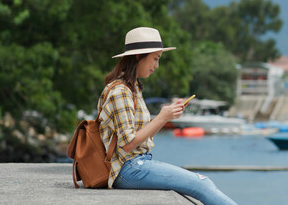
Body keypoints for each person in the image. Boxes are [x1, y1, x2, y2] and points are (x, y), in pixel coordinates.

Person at [98, 27, 238, 205]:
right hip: (127, 168)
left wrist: (167, 115)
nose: (156, 66)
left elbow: (139, 137)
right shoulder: (120, 91)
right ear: (138, 57)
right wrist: (162, 117)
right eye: (155, 59)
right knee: (201, 184)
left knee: (201, 183)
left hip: (136, 164)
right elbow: (127, 144)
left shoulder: (133, 88)